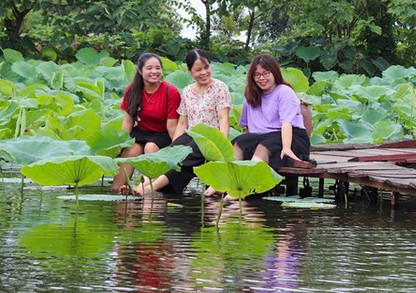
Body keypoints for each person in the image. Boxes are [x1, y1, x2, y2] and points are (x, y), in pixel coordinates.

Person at [132, 49, 231, 196]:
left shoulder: (219, 87)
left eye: (206, 67)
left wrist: (222, 144)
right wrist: (173, 147)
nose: (204, 72)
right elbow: (182, 124)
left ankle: (147, 188)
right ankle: (145, 183)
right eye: (198, 70)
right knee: (172, 156)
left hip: (210, 137)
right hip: (190, 135)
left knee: (186, 157)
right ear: (190, 72)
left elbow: (224, 118)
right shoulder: (187, 91)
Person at [232, 54, 312, 172]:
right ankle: (228, 183)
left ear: (274, 72)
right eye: (257, 75)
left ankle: (248, 180)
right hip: (261, 138)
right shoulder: (250, 97)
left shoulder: (284, 92)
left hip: (290, 138)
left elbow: (286, 123)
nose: (261, 78)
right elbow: (248, 128)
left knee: (265, 146)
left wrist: (286, 148)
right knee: (239, 142)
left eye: (266, 73)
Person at [114, 53, 181, 192]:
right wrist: (120, 144)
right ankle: (117, 191)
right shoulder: (132, 90)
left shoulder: (170, 91)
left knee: (150, 148)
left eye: (158, 68)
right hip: (142, 131)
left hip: (163, 134)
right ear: (140, 71)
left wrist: (176, 150)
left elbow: (172, 126)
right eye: (149, 68)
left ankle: (143, 189)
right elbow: (127, 122)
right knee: (131, 150)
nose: (154, 72)